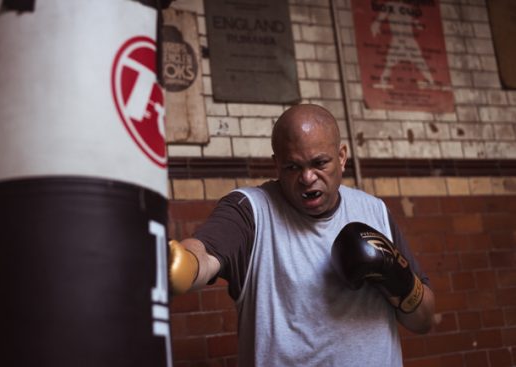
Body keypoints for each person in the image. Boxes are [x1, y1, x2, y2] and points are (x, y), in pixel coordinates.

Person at [169, 104, 435, 366]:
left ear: (342, 156)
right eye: (292, 167)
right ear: (277, 165)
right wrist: (185, 263)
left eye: (320, 163)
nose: (308, 178)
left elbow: (423, 321)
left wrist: (400, 281)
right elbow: (204, 253)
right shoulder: (250, 211)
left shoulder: (373, 211)